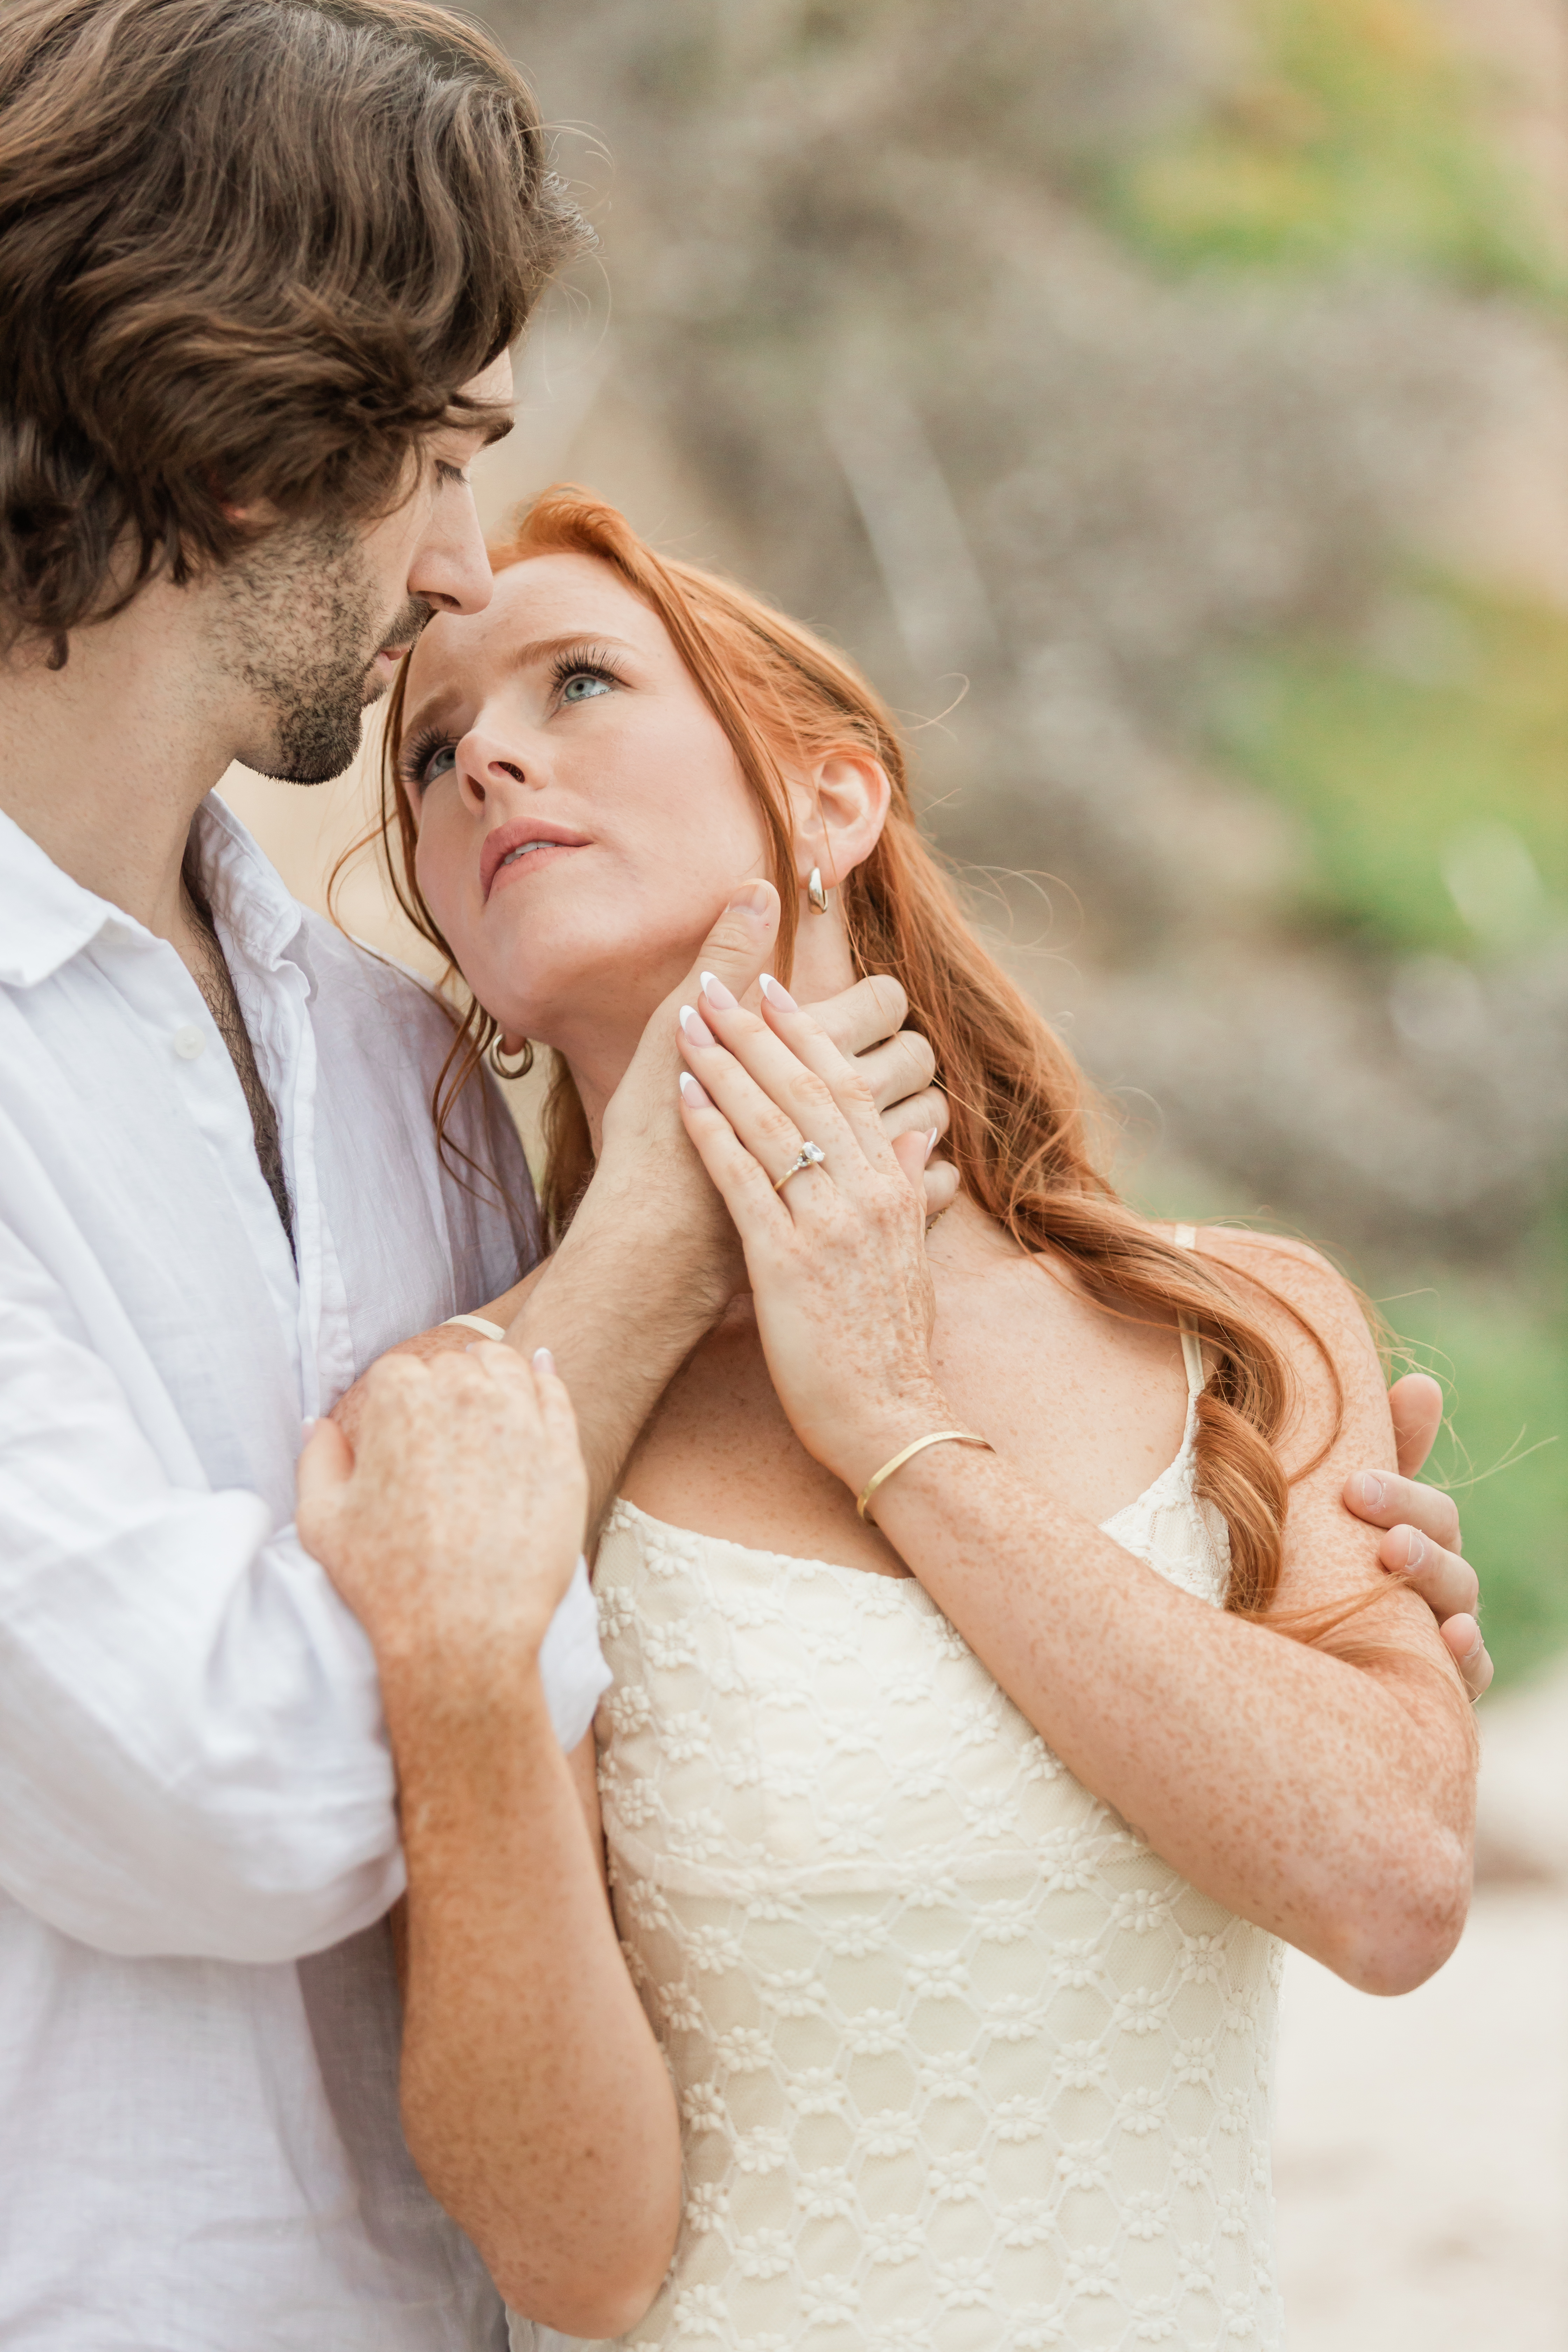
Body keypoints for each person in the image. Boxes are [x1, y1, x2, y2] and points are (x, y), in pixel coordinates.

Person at [0, 5, 947, 2344]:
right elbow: (223, 1789)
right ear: (247, 442)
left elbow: (659, 1704)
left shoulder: (398, 1062)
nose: (455, 569)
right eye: (440, 459)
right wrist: (638, 1258)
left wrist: (1222, 1507)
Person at [320, 486, 1485, 2350]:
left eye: (580, 682)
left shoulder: (1245, 1330)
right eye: (435, 748)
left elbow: (1390, 1892)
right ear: (473, 968)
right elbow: (577, 2258)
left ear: (834, 798)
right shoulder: (464, 1430)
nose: (488, 763)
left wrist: (898, 1431)